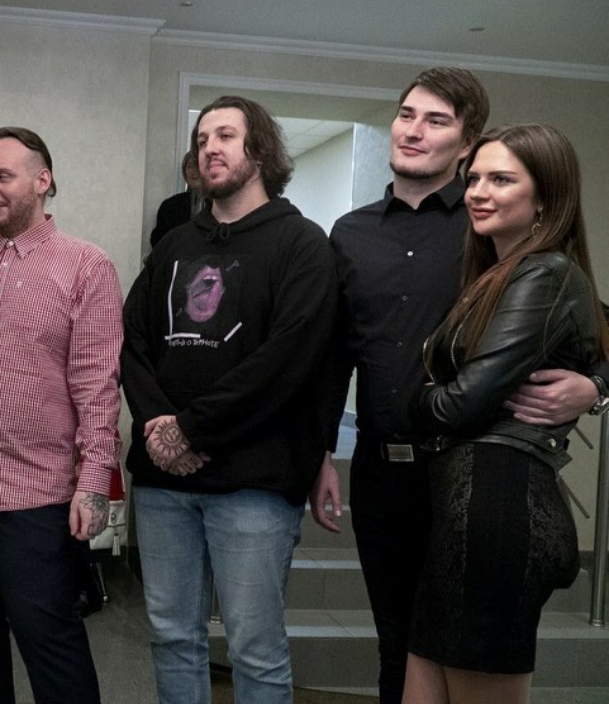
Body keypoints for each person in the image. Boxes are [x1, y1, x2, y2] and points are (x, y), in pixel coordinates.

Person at [309, 67, 607, 704]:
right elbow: (335, 353)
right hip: (381, 473)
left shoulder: (493, 230)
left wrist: (595, 388)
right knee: (400, 647)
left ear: (466, 141)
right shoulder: (351, 232)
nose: (413, 131)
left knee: (465, 656)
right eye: (406, 115)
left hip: (469, 478)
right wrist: (321, 453)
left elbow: (591, 320)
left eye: (436, 120)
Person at [121, 95, 338, 704]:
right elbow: (132, 339)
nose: (209, 149)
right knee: (171, 638)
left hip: (254, 483)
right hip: (164, 484)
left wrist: (190, 430)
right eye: (201, 140)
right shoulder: (174, 245)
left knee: (254, 649)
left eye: (224, 136)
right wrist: (157, 423)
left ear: (259, 150)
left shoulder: (302, 245)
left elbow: (286, 361)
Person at [404, 123, 608, 703]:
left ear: (545, 197)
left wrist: (417, 398)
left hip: (498, 510)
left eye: (501, 180)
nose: (477, 192)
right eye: (473, 179)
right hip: (466, 510)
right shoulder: (503, 273)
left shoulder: (546, 272)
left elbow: (461, 405)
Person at [0, 127, 122, 704]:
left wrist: (93, 484)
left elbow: (97, 385)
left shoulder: (86, 266)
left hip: (34, 496)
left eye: (3, 176)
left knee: (50, 643)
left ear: (42, 181)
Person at [150, 150, 204, 247]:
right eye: (190, 166)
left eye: (198, 165)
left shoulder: (219, 205)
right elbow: (158, 241)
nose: (194, 171)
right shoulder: (170, 205)